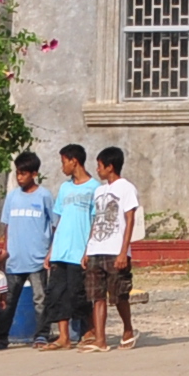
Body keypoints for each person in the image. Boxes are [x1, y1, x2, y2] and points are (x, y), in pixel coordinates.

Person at [0, 150, 54, 349]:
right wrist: (5, 252)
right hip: (15, 259)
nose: (19, 177)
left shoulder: (45, 196)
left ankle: (42, 334)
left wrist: (50, 253)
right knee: (7, 300)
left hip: (37, 259)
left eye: (23, 173)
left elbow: (53, 226)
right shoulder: (12, 197)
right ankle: (0, 337)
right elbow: (7, 226)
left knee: (40, 299)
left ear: (34, 173)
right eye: (17, 173)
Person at [43, 144, 98, 351]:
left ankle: (89, 331)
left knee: (79, 294)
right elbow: (59, 221)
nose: (62, 167)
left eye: (63, 162)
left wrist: (88, 250)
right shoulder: (65, 188)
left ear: (73, 160)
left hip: (79, 250)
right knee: (57, 294)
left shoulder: (94, 188)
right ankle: (63, 337)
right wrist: (51, 250)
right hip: (61, 250)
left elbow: (95, 222)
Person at [85, 147, 141, 351]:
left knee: (118, 295)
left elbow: (130, 219)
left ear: (110, 167)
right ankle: (101, 340)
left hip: (115, 249)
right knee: (96, 296)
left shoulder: (126, 188)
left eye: (100, 166)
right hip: (96, 248)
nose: (97, 170)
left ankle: (128, 329)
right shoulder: (99, 191)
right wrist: (87, 249)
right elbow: (96, 220)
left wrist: (123, 251)